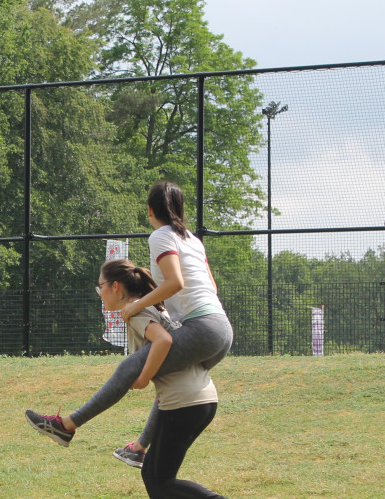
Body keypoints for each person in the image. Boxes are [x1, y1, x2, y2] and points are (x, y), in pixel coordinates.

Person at [32, 259, 255, 499]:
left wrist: (145, 375)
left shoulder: (136, 311)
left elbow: (163, 340)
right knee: (154, 474)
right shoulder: (154, 308)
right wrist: (142, 442)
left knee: (161, 478)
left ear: (116, 287)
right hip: (195, 399)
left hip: (187, 402)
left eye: (101, 286)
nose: (100, 293)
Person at [26, 181, 233, 466]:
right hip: (222, 329)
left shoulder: (161, 236)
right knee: (168, 381)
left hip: (203, 328)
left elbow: (175, 283)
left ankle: (66, 425)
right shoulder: (193, 240)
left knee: (130, 366)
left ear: (149, 209)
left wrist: (138, 304)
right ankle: (139, 448)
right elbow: (212, 286)